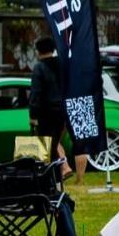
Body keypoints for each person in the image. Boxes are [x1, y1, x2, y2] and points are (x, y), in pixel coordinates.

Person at [28, 37, 72, 177]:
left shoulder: (39, 68)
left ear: (38, 51)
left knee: (45, 146)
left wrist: (33, 115)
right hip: (62, 111)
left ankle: (50, 175)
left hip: (46, 112)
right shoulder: (62, 65)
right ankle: (58, 173)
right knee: (54, 144)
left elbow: (36, 93)